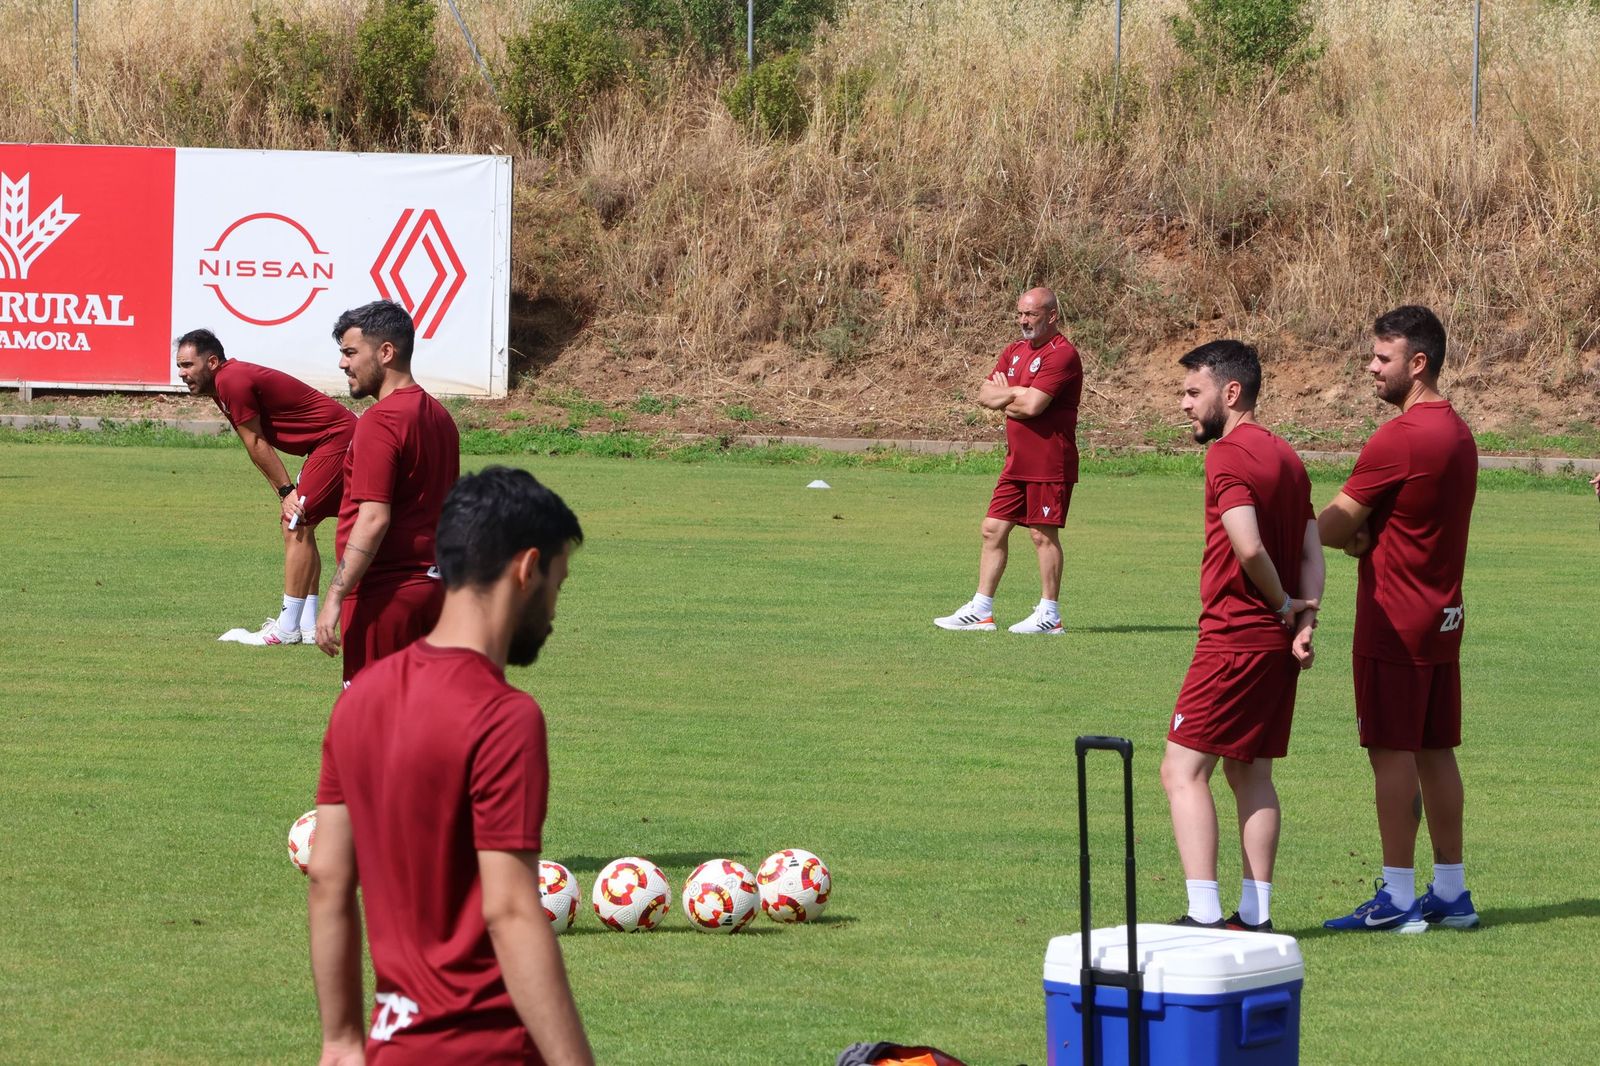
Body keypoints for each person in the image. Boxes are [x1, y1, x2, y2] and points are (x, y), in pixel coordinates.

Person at [309, 466, 594, 1065]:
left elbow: (329, 879)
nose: (553, 613)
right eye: (557, 585)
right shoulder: (504, 717)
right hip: (488, 1047)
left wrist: (339, 1040)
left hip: (393, 1045)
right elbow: (511, 910)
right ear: (526, 569)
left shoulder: (359, 698)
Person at [1318, 305, 1480, 933]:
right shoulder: (1459, 432)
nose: (1370, 369)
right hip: (1442, 616)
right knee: (1437, 751)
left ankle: (1398, 898)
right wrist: (1367, 535)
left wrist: (1328, 534)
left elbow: (1335, 520)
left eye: (1381, 358)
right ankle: (1452, 892)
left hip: (1395, 619)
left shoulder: (1401, 437)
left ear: (1418, 363)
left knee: (1392, 753)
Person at [1159, 341, 1322, 932]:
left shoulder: (1227, 456)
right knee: (1249, 773)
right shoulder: (1287, 455)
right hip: (1275, 645)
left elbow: (1247, 544)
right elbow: (1310, 548)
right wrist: (1305, 617)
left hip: (1234, 637)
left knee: (1182, 770)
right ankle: (1254, 917)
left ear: (1231, 393)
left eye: (1192, 392)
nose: (1184, 405)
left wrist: (1281, 605)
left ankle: (1203, 914)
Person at [175, 328, 356, 645]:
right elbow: (255, 445)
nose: (182, 373)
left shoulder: (231, 380)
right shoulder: (224, 383)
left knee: (295, 521)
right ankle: (308, 626)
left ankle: (286, 629)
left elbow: (256, 442)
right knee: (302, 524)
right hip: (330, 441)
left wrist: (287, 493)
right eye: (180, 366)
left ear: (213, 361)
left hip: (336, 440)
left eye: (188, 365)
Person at [313, 300, 460, 685]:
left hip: (386, 596)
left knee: (371, 733)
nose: (343, 364)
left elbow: (374, 517)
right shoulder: (439, 417)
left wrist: (334, 597)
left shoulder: (381, 421)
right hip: (435, 590)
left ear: (386, 352)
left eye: (350, 353)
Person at [934, 287, 1083, 634]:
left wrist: (1012, 394)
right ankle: (981, 611)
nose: (1023, 320)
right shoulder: (1014, 351)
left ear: (1052, 316)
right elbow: (984, 394)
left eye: (1030, 314)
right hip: (1016, 461)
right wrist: (1016, 393)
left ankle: (1050, 615)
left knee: (1041, 536)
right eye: (1020, 313)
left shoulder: (1062, 355)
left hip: (1049, 461)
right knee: (992, 529)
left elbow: (1032, 407)